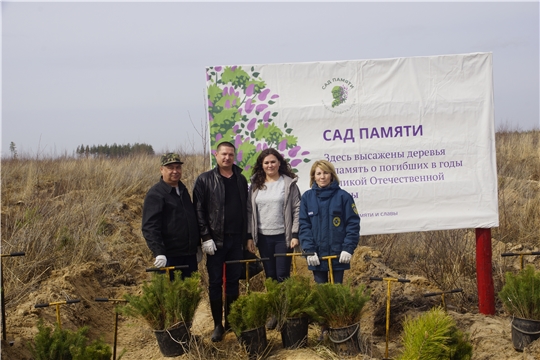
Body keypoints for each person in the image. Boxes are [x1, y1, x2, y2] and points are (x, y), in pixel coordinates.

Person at [193, 141, 248, 342]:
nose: (227, 158)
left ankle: (231, 323)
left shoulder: (241, 179)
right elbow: (198, 210)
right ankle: (217, 325)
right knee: (215, 283)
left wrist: (247, 237)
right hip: (215, 242)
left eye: (231, 155)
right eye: (223, 154)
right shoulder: (205, 180)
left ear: (234, 156)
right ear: (216, 155)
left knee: (233, 282)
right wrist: (205, 237)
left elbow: (246, 210)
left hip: (236, 242)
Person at [299, 159, 360, 339]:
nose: (322, 176)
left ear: (331, 175)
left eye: (325, 173)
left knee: (337, 293)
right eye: (318, 173)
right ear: (313, 177)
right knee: (322, 294)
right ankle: (324, 329)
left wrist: (348, 248)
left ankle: (339, 328)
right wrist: (309, 250)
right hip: (317, 256)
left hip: (337, 255)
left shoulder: (344, 197)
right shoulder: (307, 198)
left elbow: (352, 224)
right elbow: (304, 226)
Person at [246, 148, 301, 330]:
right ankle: (276, 313)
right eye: (266, 162)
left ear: (279, 163)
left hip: (282, 238)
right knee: (270, 277)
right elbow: (249, 212)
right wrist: (250, 237)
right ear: (262, 166)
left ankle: (285, 313)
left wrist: (295, 234)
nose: (270, 165)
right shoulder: (255, 185)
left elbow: (297, 209)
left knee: (283, 276)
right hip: (263, 238)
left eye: (273, 162)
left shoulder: (288, 184)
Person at [142, 153, 201, 280]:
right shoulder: (156, 194)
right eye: (170, 168)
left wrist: (196, 246)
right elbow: (150, 227)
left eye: (178, 167)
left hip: (188, 255)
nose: (175, 171)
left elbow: (190, 219)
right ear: (161, 169)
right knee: (172, 295)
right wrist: (159, 252)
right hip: (169, 257)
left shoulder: (183, 191)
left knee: (190, 294)